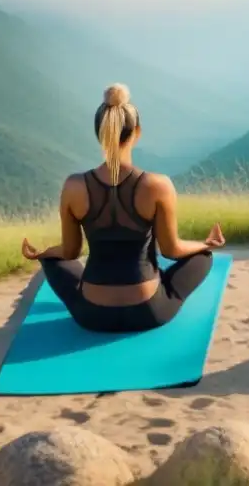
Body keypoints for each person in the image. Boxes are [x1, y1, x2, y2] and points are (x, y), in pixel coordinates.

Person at [20, 83, 226, 333]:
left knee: (52, 261)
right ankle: (167, 273)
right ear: (137, 132)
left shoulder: (74, 186)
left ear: (99, 133)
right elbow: (172, 250)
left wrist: (42, 253)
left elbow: (70, 251)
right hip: (149, 311)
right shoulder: (157, 185)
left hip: (92, 315)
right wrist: (206, 244)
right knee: (202, 258)